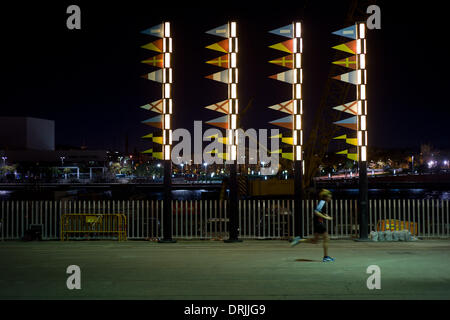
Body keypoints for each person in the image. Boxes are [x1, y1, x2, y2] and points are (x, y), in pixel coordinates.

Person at [290, 189, 335, 262]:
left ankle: (299, 240)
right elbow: (316, 212)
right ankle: (326, 257)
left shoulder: (323, 202)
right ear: (326, 196)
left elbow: (320, 212)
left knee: (315, 240)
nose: (330, 198)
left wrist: (326, 215)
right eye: (330, 197)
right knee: (326, 238)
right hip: (319, 223)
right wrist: (326, 217)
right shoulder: (322, 202)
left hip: (317, 223)